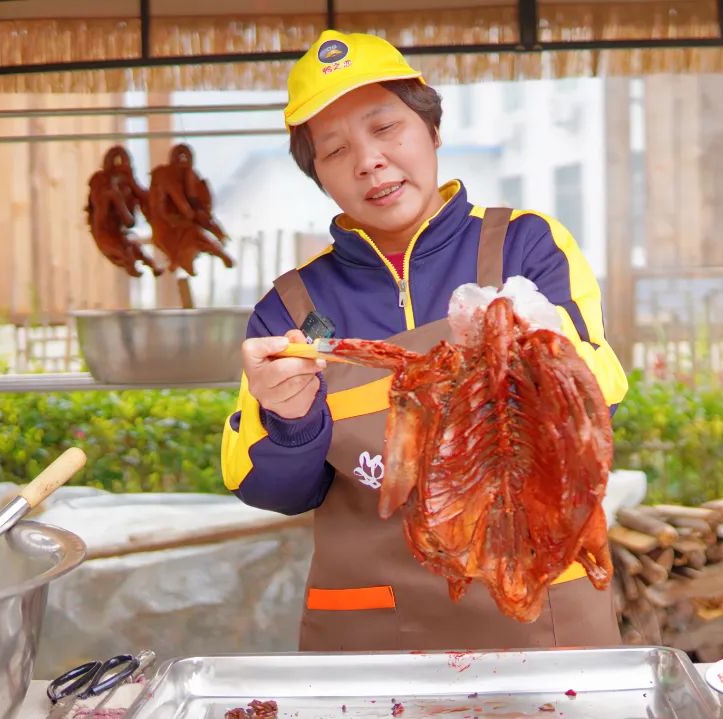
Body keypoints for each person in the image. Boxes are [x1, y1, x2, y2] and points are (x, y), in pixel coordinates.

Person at [221, 29, 629, 651]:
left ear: (432, 131)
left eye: (386, 129)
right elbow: (271, 490)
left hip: (542, 616)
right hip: (372, 630)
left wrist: (548, 353)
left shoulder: (523, 245)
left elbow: (602, 404)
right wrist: (290, 419)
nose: (369, 161)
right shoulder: (291, 309)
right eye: (334, 150)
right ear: (320, 178)